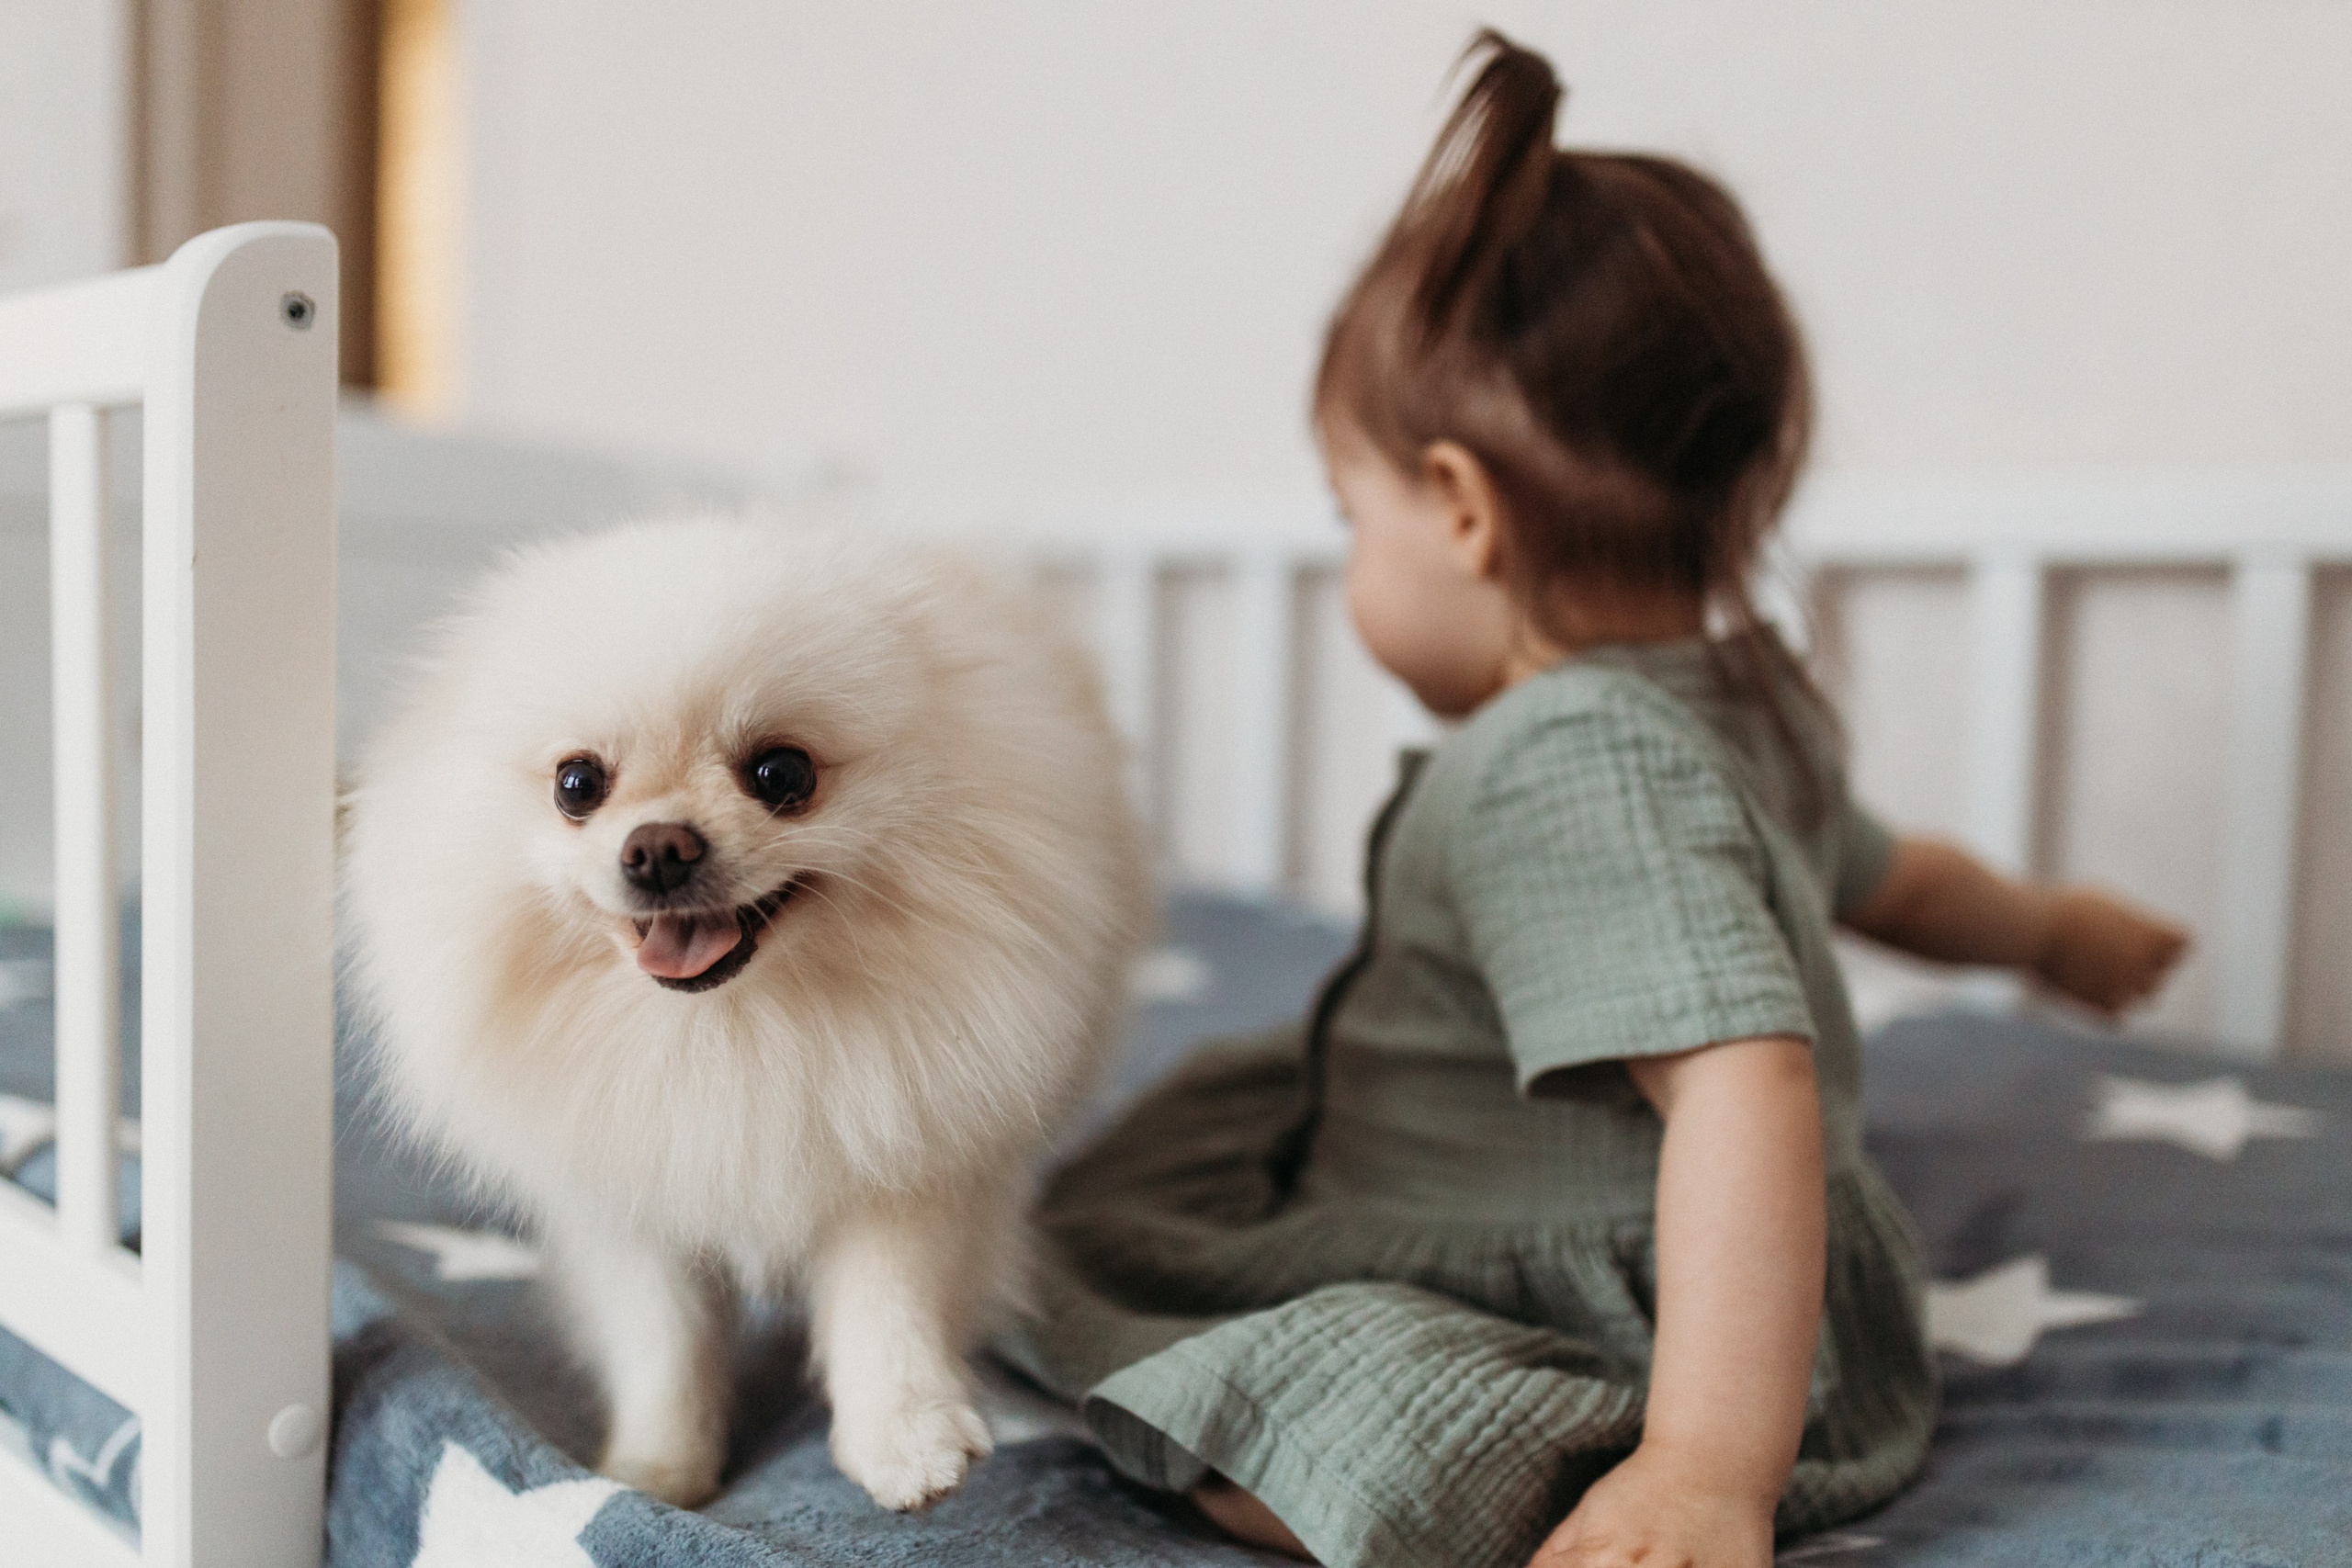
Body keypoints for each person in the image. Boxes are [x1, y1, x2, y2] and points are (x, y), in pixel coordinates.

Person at [998, 30, 2188, 1568]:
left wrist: (1704, 1466)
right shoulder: (1740, 696)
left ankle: (1566, 1464)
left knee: (1311, 1397)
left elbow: (1742, 1085)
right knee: (1215, 1106)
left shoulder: (1571, 763)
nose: (1348, 556)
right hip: (1637, 1239)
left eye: (1347, 515)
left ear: (1465, 513)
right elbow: (1894, 878)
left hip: (1623, 1319)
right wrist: (2050, 931)